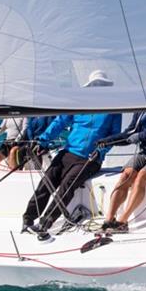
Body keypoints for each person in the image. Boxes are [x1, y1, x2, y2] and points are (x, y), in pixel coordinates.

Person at [22, 71, 121, 239]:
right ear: (90, 87)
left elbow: (114, 135)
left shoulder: (113, 109)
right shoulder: (79, 105)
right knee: (46, 182)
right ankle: (28, 220)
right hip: (68, 153)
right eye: (95, 85)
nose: (98, 89)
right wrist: (43, 141)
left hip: (91, 158)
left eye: (101, 86)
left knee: (68, 185)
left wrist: (101, 152)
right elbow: (59, 122)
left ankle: (45, 223)